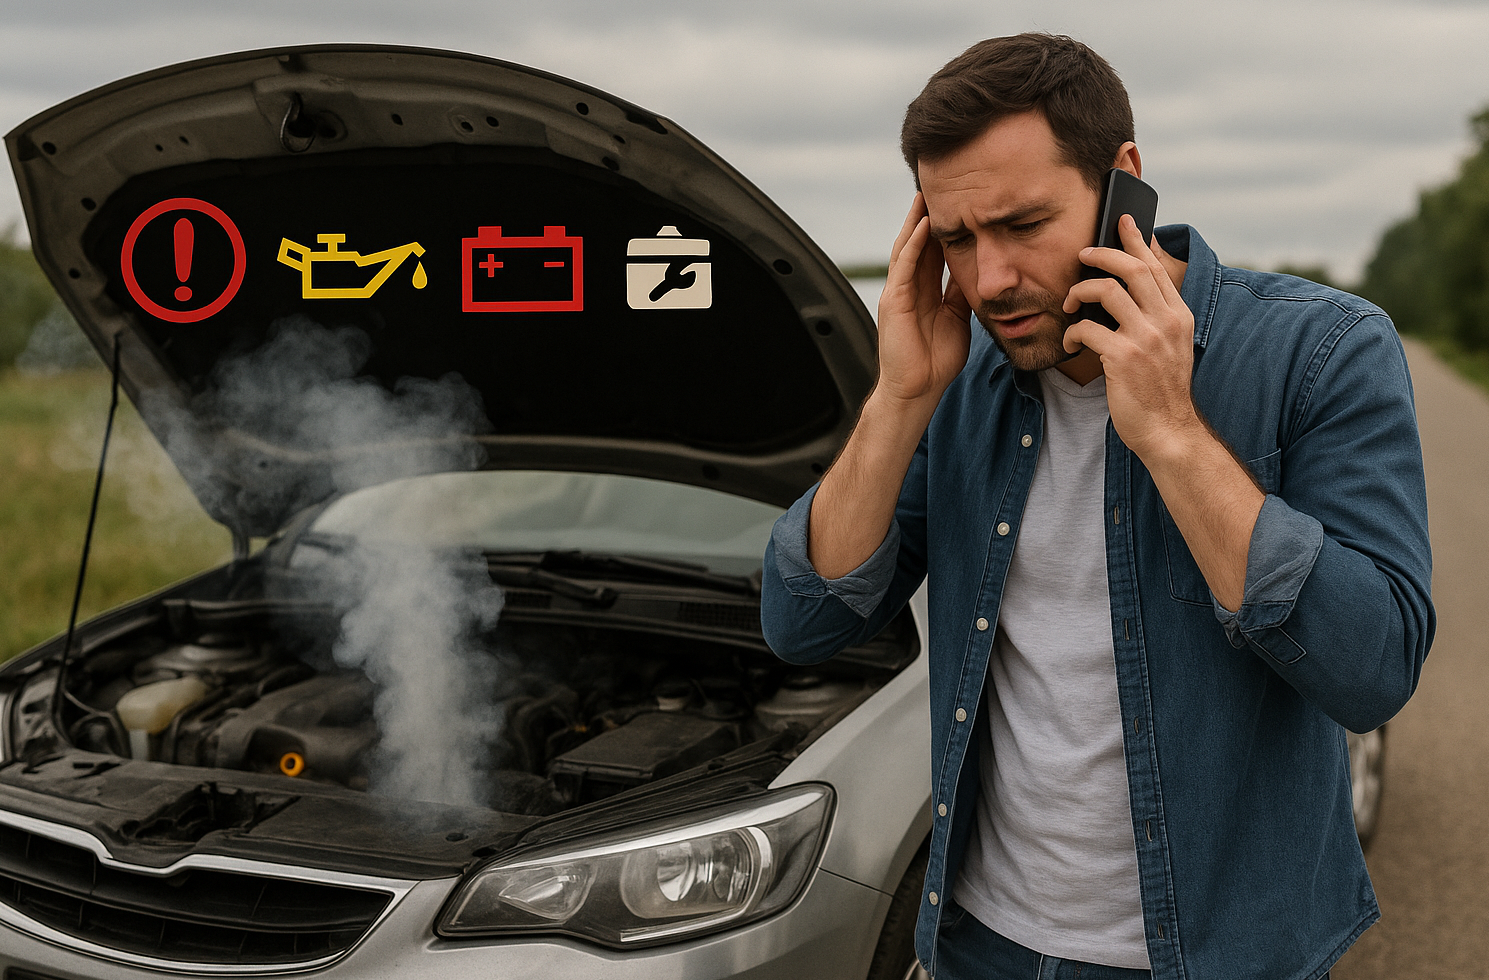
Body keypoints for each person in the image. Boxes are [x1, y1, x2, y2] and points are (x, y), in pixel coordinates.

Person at [759, 33, 1433, 980]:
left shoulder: (1322, 352)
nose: (988, 279)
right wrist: (903, 397)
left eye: (1021, 224)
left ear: (1124, 182)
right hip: (978, 947)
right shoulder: (957, 381)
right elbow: (803, 621)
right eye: (956, 239)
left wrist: (1170, 432)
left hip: (1218, 957)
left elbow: (1373, 669)